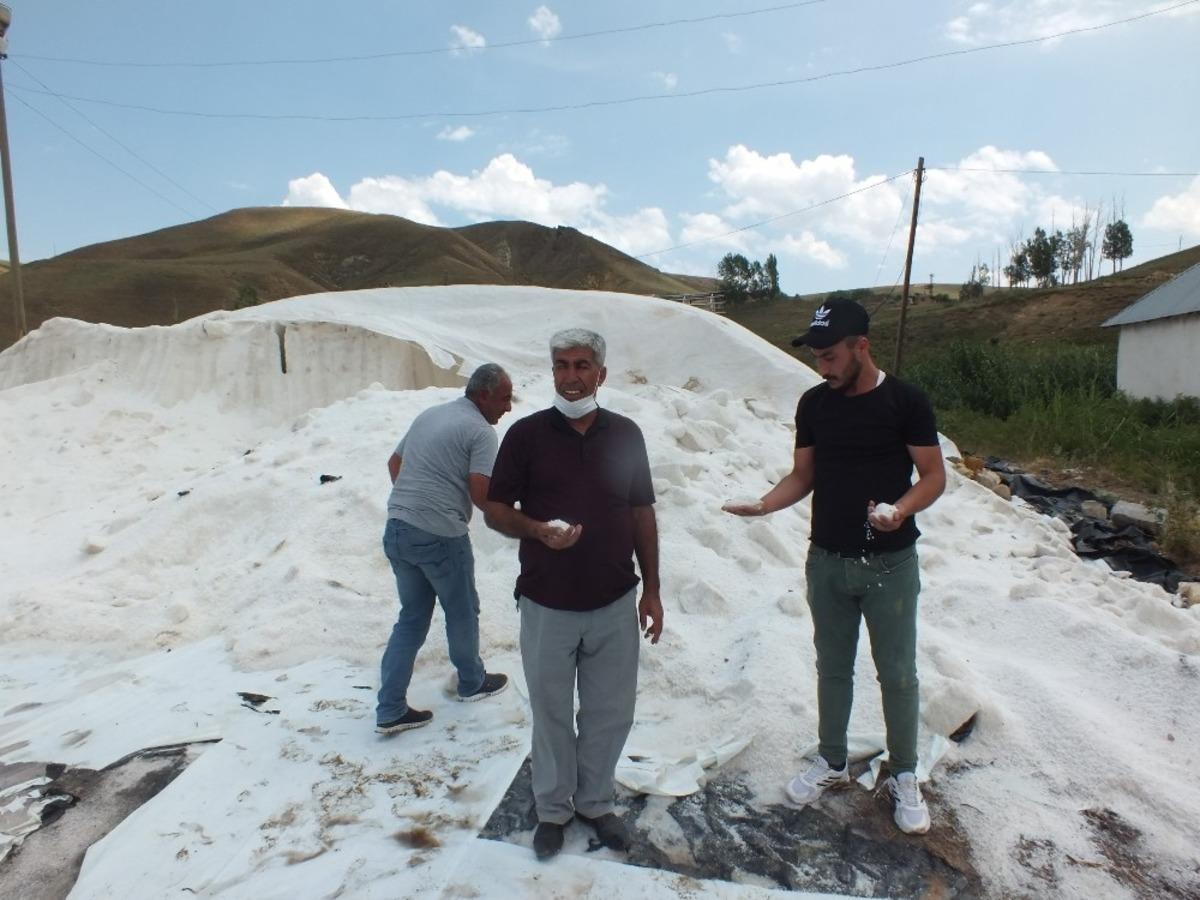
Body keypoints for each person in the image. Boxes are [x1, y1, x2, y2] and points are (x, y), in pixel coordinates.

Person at [723, 298, 945, 835]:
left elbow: (933, 477)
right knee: (832, 667)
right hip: (826, 560)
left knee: (897, 674)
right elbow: (804, 475)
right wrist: (766, 503)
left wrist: (901, 510)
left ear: (860, 347)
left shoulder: (905, 401)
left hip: (890, 564)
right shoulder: (815, 404)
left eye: (829, 357)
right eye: (817, 359)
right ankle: (832, 760)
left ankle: (904, 773)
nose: (822, 368)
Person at [484, 328, 664, 861]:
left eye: (582, 365)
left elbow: (641, 512)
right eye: (561, 365)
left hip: (613, 601)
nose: (570, 376)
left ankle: (595, 802)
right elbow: (496, 510)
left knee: (611, 712)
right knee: (552, 712)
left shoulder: (627, 435)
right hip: (546, 603)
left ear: (601, 374)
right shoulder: (525, 435)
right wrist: (538, 530)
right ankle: (553, 811)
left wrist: (652, 587)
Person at [375, 363, 514, 736]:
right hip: (439, 537)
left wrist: (414, 500)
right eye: (503, 398)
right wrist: (523, 515)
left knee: (411, 619)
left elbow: (394, 462)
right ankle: (471, 681)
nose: (508, 407)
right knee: (463, 609)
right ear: (483, 395)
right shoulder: (481, 432)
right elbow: (482, 496)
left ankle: (389, 708)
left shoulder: (431, 415)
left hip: (398, 528)